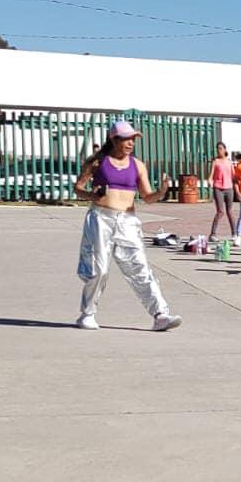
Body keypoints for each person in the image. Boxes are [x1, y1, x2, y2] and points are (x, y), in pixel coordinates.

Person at [72, 120, 181, 331]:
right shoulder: (98, 162)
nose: (131, 143)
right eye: (126, 139)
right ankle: (87, 314)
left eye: (133, 139)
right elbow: (78, 187)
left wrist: (161, 191)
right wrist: (91, 195)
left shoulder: (137, 165)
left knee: (140, 267)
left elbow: (147, 197)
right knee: (99, 268)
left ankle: (160, 315)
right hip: (101, 218)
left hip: (127, 222)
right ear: (114, 140)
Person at [206, 142, 235, 242]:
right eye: (217, 149)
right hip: (218, 188)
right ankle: (212, 234)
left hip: (229, 188)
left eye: (221, 148)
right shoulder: (215, 161)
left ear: (225, 149)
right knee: (220, 211)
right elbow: (211, 175)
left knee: (230, 211)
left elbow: (234, 175)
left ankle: (234, 233)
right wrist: (209, 180)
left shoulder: (229, 162)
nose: (219, 150)